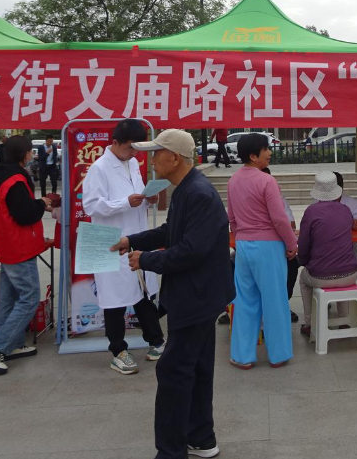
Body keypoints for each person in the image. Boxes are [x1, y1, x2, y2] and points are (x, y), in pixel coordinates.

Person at [112, 128, 234, 459]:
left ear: (174, 158)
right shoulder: (186, 188)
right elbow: (171, 231)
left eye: (156, 153)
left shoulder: (198, 193)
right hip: (198, 294)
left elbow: (191, 251)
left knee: (173, 370)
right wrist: (132, 240)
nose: (152, 160)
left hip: (197, 296)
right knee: (196, 367)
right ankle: (201, 438)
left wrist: (146, 260)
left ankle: (171, 452)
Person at [82, 119, 165, 374]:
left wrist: (148, 200)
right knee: (114, 300)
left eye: (137, 149)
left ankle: (156, 341)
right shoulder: (99, 168)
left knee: (142, 293)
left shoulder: (132, 164)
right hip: (108, 239)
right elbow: (91, 206)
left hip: (134, 237)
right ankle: (118, 351)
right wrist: (125, 202)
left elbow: (136, 197)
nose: (134, 153)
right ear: (115, 143)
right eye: (130, 148)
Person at [226, 133, 298, 369]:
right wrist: (292, 244)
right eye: (266, 149)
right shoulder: (267, 181)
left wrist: (240, 238)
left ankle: (242, 356)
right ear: (253, 156)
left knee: (245, 301)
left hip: (243, 246)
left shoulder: (233, 181)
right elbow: (279, 219)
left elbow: (232, 219)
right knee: (275, 300)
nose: (269, 153)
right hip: (268, 247)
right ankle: (278, 354)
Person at [0, 135, 51, 375]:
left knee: (10, 297)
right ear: (26, 154)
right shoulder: (16, 179)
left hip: (6, 244)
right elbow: (24, 214)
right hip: (19, 246)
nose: (32, 155)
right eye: (30, 152)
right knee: (29, 298)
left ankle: (12, 344)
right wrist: (41, 203)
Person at [297, 171, 357, 338]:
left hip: (320, 276)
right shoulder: (346, 210)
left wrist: (303, 262)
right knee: (341, 277)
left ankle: (309, 323)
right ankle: (344, 318)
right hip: (350, 275)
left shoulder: (311, 212)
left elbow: (303, 245)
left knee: (303, 280)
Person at [261, 166, 300, 322]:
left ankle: (283, 303)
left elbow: (291, 225)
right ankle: (233, 307)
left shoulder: (279, 198)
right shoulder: (244, 197)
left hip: (277, 247)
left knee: (292, 264)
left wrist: (290, 245)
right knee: (232, 263)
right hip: (254, 247)